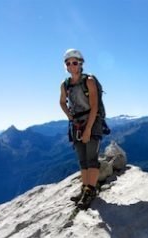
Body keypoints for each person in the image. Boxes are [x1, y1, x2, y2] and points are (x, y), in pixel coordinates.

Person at [59, 49, 103, 209]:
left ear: (81, 63)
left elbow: (94, 106)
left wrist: (88, 130)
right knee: (82, 160)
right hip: (77, 123)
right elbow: (62, 102)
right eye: (68, 63)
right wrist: (70, 117)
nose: (71, 65)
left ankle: (90, 191)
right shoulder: (65, 85)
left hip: (91, 122)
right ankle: (85, 189)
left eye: (74, 62)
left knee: (91, 159)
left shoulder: (89, 81)